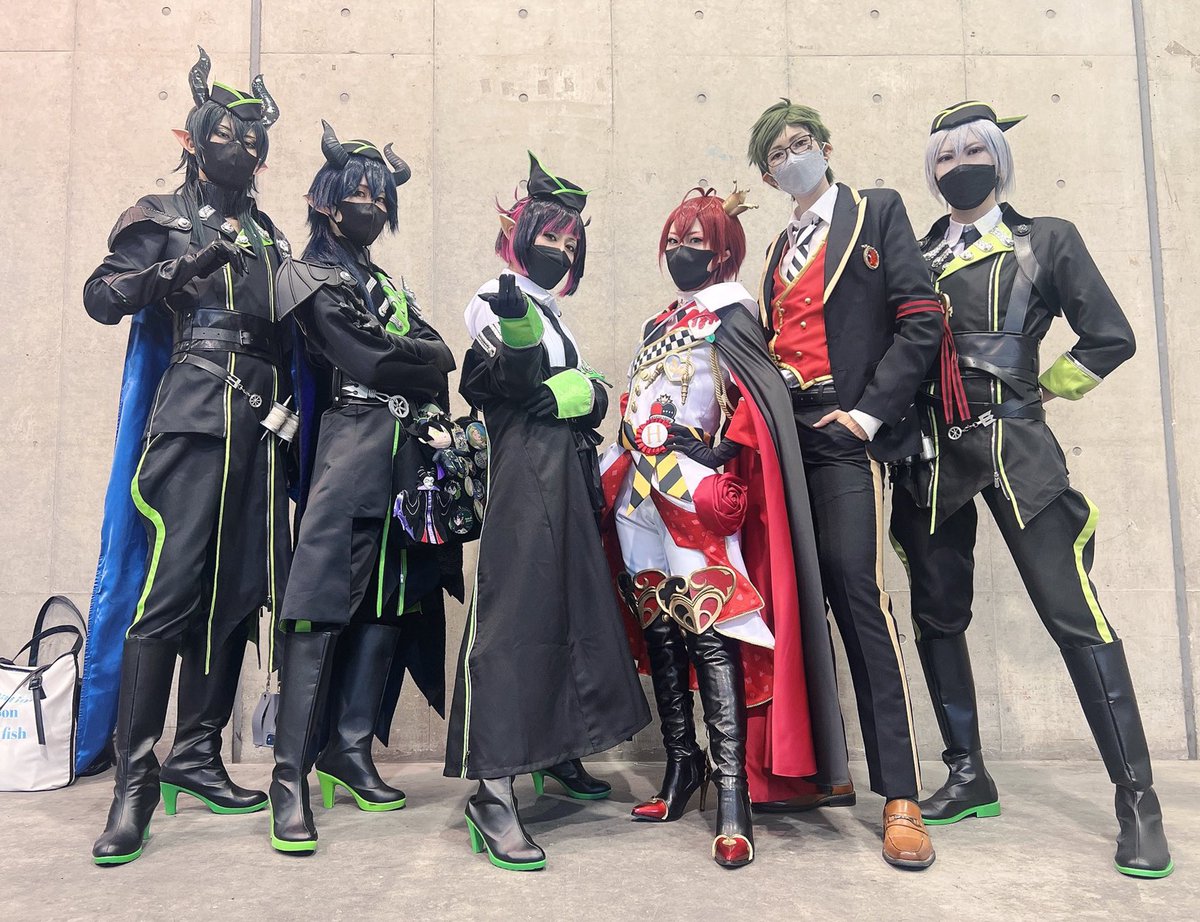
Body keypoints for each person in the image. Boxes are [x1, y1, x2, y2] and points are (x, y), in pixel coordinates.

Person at [889, 101, 1171, 879]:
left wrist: (1044, 388)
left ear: (998, 159)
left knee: (1074, 615)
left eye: (971, 153)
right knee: (937, 615)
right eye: (944, 158)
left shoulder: (1046, 238)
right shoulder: (915, 253)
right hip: (932, 456)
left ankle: (1138, 798)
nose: (958, 168)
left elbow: (1110, 335)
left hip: (1017, 448)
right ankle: (968, 774)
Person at [83, 48, 291, 865]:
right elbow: (102, 296)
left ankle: (198, 754)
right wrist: (182, 266)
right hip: (195, 417)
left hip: (261, 428)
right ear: (196, 138)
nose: (244, 147)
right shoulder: (160, 213)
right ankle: (134, 782)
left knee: (236, 595)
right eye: (228, 133)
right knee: (169, 596)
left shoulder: (270, 234)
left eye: (255, 137)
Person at [601, 187, 849, 869]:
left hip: (693, 494)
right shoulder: (659, 321)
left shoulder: (733, 315)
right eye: (674, 241)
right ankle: (681, 767)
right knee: (660, 626)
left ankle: (731, 793)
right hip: (639, 495)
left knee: (710, 632)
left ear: (722, 253)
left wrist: (715, 452)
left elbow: (756, 404)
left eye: (696, 243)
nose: (681, 252)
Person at [747, 98, 946, 869]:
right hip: (783, 435)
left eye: (798, 144)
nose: (789, 158)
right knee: (797, 600)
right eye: (775, 156)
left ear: (825, 148)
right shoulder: (775, 249)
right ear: (769, 178)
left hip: (844, 427)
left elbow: (922, 319)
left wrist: (866, 415)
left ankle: (901, 796)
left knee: (860, 596)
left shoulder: (876, 211)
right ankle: (818, 773)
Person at [444, 152, 651, 872]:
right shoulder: (497, 297)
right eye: (549, 234)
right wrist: (535, 348)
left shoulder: (551, 308)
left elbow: (581, 394)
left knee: (569, 609)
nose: (560, 248)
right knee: (516, 618)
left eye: (570, 239)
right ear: (520, 231)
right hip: (522, 469)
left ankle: (555, 750)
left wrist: (584, 394)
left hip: (564, 469)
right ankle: (493, 790)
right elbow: (512, 379)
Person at [268, 122, 460, 854]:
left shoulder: (382, 284)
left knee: (390, 599)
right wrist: (412, 354)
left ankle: (349, 750)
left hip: (402, 457)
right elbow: (369, 360)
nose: (371, 206)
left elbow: (441, 355)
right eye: (358, 194)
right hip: (348, 448)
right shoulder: (307, 275)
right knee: (319, 607)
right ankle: (289, 777)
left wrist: (408, 353)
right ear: (326, 201)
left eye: (381, 197)